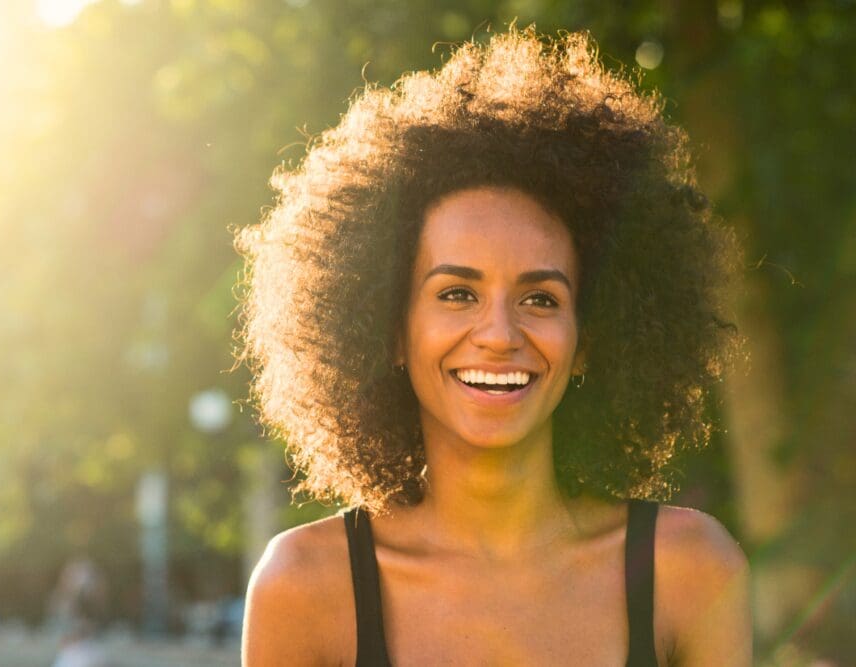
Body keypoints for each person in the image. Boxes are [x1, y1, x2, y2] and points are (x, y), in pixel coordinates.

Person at [236, 26, 751, 666]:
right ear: (389, 330)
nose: (501, 335)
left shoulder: (688, 570)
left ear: (591, 340)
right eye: (456, 294)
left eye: (541, 299)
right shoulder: (307, 586)